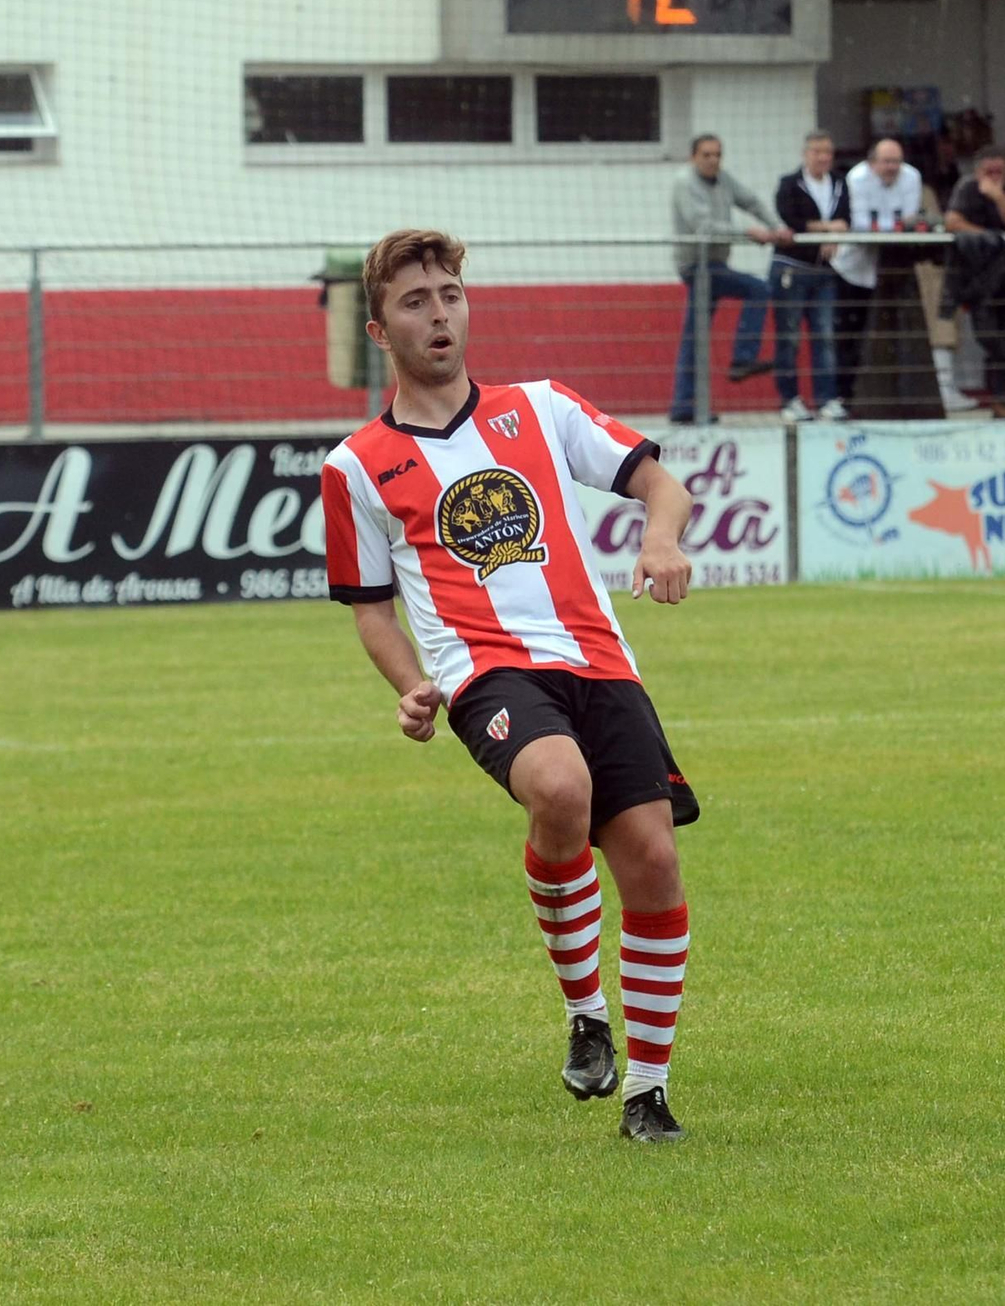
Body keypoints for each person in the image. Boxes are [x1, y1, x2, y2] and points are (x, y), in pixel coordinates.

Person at [321, 229, 703, 1143]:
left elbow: (660, 482)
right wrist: (412, 683)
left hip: (600, 660)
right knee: (560, 787)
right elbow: (371, 606)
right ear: (381, 330)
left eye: (450, 293)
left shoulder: (539, 406)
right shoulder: (355, 464)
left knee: (651, 859)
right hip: (483, 668)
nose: (438, 313)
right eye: (415, 302)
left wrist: (660, 535)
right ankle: (585, 1010)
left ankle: (646, 1094)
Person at [669, 134, 792, 424]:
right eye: (706, 155)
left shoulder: (723, 180)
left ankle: (683, 406)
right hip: (697, 266)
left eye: (717, 155)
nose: (713, 160)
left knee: (695, 337)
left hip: (714, 264)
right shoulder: (684, 182)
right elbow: (703, 225)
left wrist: (776, 226)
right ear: (693, 157)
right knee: (758, 288)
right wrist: (748, 232)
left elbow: (750, 201)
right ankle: (742, 358)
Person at [835, 138, 938, 419]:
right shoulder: (856, 178)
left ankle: (893, 398)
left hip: (893, 268)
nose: (892, 167)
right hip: (856, 270)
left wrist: (896, 228)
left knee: (894, 336)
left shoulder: (911, 176)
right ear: (872, 162)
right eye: (886, 161)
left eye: (896, 161)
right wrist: (896, 228)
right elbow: (860, 226)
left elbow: (910, 221)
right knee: (852, 336)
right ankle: (847, 398)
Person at [771, 129, 851, 423]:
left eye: (827, 152)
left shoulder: (840, 183)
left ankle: (826, 399)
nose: (823, 158)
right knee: (789, 337)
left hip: (825, 271)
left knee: (825, 336)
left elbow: (847, 220)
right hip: (792, 268)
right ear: (805, 154)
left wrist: (832, 233)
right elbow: (792, 219)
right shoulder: (790, 184)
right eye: (817, 152)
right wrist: (828, 229)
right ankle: (789, 399)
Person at [944, 146, 1005, 417]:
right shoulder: (966, 187)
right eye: (988, 172)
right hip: (977, 279)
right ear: (977, 171)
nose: (993, 177)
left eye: (998, 172)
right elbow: (952, 221)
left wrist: (998, 196)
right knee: (989, 338)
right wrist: (988, 236)